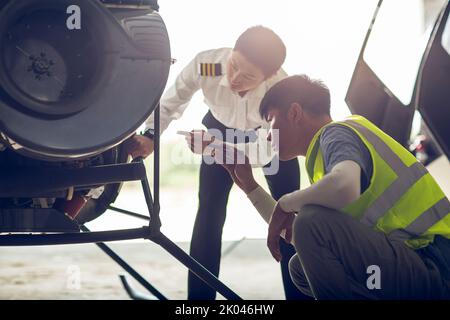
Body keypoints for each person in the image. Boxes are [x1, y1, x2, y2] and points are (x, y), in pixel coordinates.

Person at [219, 74, 450, 299]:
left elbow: (345, 187)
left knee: (311, 221)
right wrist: (249, 185)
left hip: (435, 263)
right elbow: (298, 235)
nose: (268, 136)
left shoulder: (336, 134)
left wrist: (287, 202)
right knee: (299, 267)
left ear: (295, 113)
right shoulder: (323, 162)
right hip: (411, 264)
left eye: (269, 121)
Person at [123, 26, 308, 300]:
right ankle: (199, 301)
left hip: (272, 142)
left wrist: (217, 146)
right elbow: (172, 100)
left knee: (287, 220)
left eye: (247, 76)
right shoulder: (209, 65)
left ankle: (300, 296)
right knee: (209, 215)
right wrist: (151, 135)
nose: (234, 78)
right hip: (219, 131)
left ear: (267, 77)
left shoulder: (280, 88)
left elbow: (267, 149)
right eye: (234, 65)